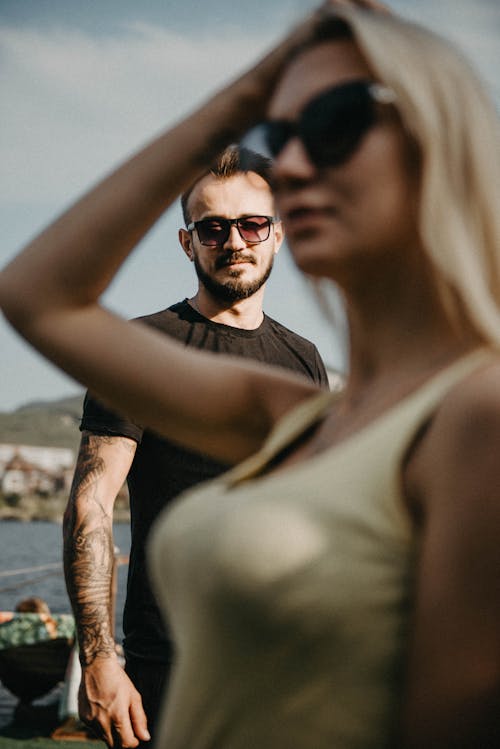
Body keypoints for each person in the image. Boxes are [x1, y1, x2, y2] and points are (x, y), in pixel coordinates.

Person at [1, 0, 500, 746]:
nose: (293, 164)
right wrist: (246, 96)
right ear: (190, 240)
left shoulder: (473, 417)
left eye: (333, 127)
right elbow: (36, 294)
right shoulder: (306, 411)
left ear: (435, 149)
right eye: (281, 135)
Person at [63, 144, 328, 746]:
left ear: (277, 234)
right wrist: (101, 661)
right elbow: (92, 506)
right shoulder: (141, 348)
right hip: (171, 671)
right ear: (189, 242)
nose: (234, 241)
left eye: (252, 223)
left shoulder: (303, 360)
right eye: (213, 228)